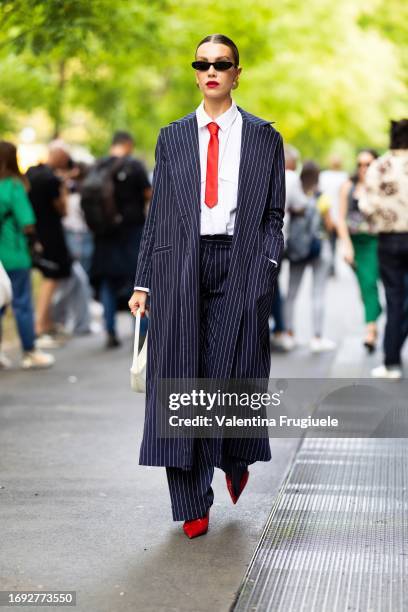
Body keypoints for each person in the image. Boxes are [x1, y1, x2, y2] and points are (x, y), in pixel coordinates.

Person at [128, 34, 285, 538]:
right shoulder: (172, 137)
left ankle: (234, 455)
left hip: (240, 261)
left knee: (232, 374)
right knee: (180, 381)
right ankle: (192, 498)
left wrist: (265, 262)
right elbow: (158, 214)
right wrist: (143, 283)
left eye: (222, 64)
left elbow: (274, 213)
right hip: (180, 263)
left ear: (238, 73)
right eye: (203, 63)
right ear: (196, 74)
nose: (212, 70)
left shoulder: (264, 137)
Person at [90, 131, 151, 348]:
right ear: (128, 144)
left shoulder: (97, 166)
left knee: (107, 281)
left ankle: (110, 329)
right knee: (138, 282)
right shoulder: (134, 166)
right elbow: (148, 194)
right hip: (132, 232)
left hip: (103, 235)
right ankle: (141, 331)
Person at [359, 119, 408, 379]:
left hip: (389, 239)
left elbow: (366, 205)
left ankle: (391, 361)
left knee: (394, 297)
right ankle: (394, 350)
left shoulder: (380, 165)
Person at [0, 140, 54, 369]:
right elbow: (27, 222)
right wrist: (35, 244)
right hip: (15, 253)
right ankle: (29, 351)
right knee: (21, 302)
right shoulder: (14, 185)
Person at [285, 160, 336, 352]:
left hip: (297, 249)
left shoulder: (295, 196)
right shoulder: (321, 197)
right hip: (319, 248)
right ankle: (316, 338)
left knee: (291, 292)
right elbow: (330, 226)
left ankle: (289, 334)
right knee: (318, 293)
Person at [26, 141, 73, 349]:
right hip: (51, 235)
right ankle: (40, 327)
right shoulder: (52, 180)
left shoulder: (30, 174)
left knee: (46, 279)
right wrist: (63, 187)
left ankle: (44, 325)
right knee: (50, 279)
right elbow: (63, 210)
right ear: (60, 156)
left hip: (35, 234)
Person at [337, 149, 381, 352]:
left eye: (368, 164)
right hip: (354, 243)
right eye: (360, 164)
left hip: (374, 241)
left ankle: (370, 330)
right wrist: (346, 245)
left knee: (369, 283)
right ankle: (375, 311)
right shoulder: (348, 186)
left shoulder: (381, 185)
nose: (364, 168)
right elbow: (341, 218)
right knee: (365, 286)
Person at [319, 154, 348, 276]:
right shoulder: (343, 176)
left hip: (330, 213)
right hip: (335, 214)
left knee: (330, 242)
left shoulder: (324, 176)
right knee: (332, 243)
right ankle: (331, 266)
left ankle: (330, 266)